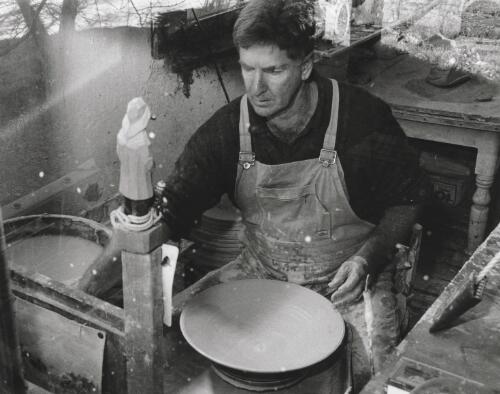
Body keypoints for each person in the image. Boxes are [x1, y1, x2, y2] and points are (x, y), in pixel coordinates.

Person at [80, 0, 430, 391]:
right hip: (262, 269)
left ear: (305, 66)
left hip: (350, 276)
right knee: (172, 334)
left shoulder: (361, 120)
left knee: (378, 376)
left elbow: (409, 199)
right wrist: (82, 290)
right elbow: (168, 214)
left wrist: (368, 258)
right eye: (248, 68)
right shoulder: (228, 131)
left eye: (274, 70)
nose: (257, 88)